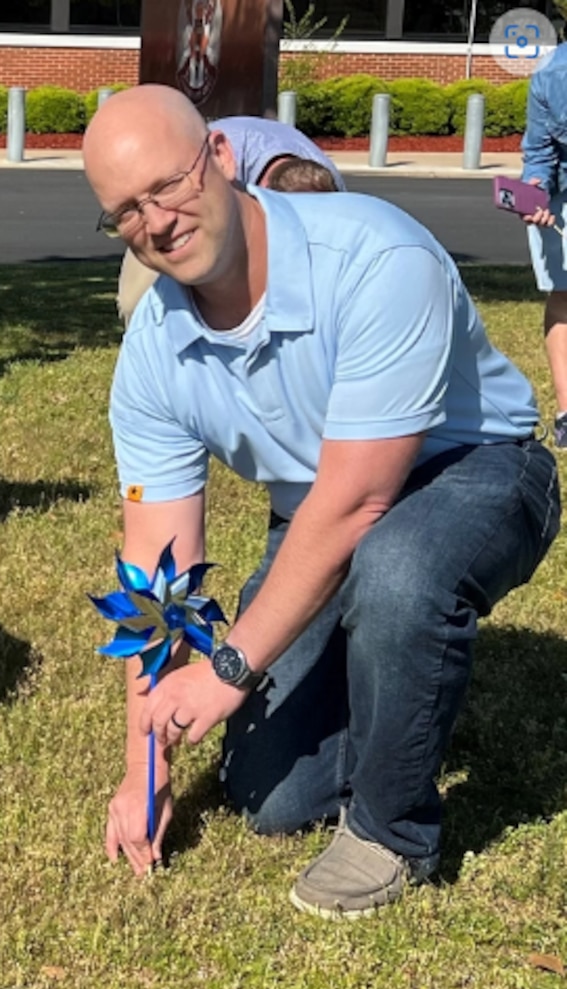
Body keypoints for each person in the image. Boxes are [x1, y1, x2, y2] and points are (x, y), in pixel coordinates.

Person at [84, 86, 559, 918]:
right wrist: (143, 769)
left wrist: (229, 669)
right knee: (272, 803)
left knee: (399, 567)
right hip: (320, 510)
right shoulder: (153, 353)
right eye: (126, 212)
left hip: (476, 471)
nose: (156, 222)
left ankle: (391, 833)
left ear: (222, 160)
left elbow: (358, 502)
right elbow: (157, 582)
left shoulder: (377, 256)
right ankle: (390, 684)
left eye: (169, 186)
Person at [115, 115, 343, 328]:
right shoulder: (216, 159)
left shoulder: (330, 187)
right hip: (166, 205)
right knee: (135, 300)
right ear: (263, 191)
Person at [519, 42, 567, 448]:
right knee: (564, 295)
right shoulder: (551, 75)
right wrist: (535, 187)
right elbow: (539, 153)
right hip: (564, 196)